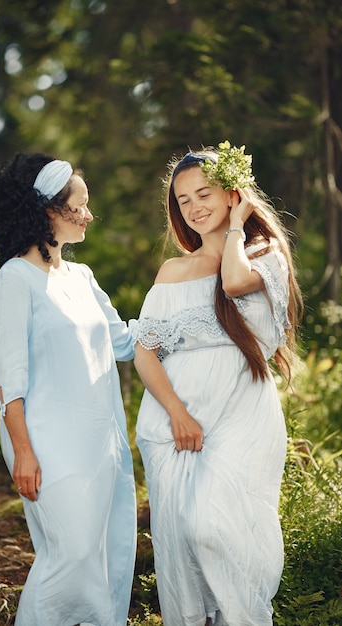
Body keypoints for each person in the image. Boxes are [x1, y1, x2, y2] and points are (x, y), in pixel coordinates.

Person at [133, 144, 303, 626]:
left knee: (217, 525)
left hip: (241, 411)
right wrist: (176, 413)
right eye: (183, 200)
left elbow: (231, 282)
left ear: (233, 194)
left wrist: (235, 228)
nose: (193, 207)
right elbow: (146, 353)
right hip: (176, 417)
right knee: (183, 534)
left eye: (203, 193)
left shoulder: (265, 256)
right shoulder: (173, 271)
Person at [0, 153, 137, 626]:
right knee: (70, 556)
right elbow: (7, 379)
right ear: (50, 210)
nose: (89, 215)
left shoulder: (82, 278)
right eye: (81, 205)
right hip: (47, 447)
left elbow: (126, 343)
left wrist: (191, 309)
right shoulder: (14, 279)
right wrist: (23, 452)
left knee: (101, 554)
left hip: (98, 444)